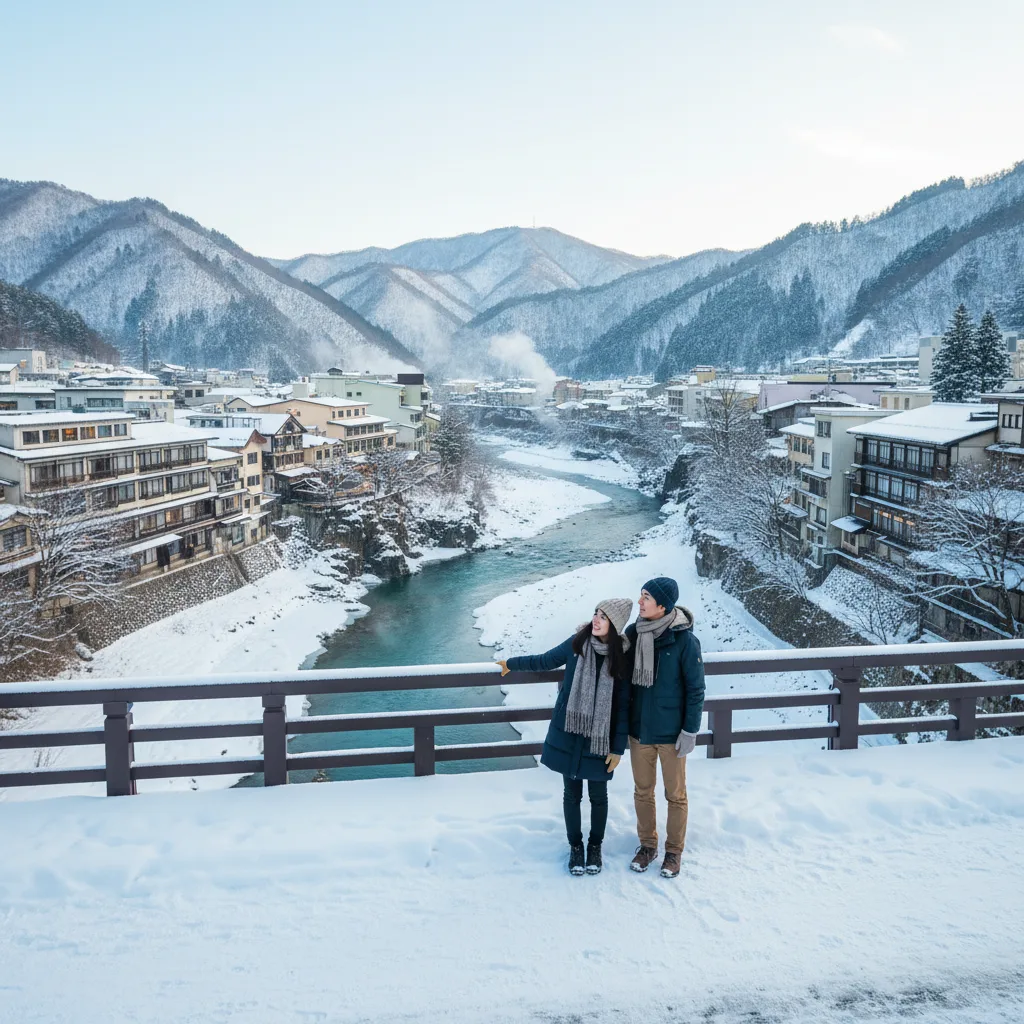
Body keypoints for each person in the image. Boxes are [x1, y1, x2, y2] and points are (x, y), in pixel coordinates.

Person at [497, 598, 633, 876]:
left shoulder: (621, 658)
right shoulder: (577, 643)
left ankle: (595, 847)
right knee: (571, 794)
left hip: (600, 737)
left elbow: (622, 706)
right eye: (596, 613)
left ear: (615, 625)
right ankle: (576, 848)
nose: (596, 619)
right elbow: (545, 660)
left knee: (598, 795)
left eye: (603, 617)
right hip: (570, 731)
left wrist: (618, 748)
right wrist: (511, 663)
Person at [623, 577, 705, 880]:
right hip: (640, 730)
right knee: (643, 792)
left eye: (646, 597)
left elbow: (696, 690)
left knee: (675, 794)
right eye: (641, 595)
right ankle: (647, 846)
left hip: (672, 734)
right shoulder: (634, 633)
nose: (640, 602)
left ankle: (673, 851)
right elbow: (615, 661)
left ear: (663, 605)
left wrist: (690, 730)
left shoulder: (685, 641)